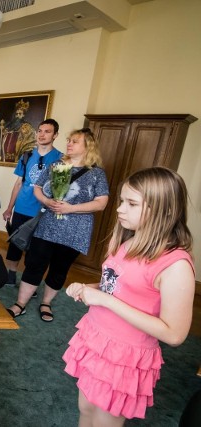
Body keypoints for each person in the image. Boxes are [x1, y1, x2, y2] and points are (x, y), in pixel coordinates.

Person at [63, 167, 195, 425]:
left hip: (125, 356)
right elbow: (116, 287)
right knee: (85, 408)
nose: (120, 209)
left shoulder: (175, 265)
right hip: (97, 339)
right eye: (122, 201)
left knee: (105, 420)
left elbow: (174, 334)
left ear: (165, 210)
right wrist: (89, 288)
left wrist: (106, 300)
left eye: (131, 203)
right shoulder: (128, 243)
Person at [7, 128, 109, 321]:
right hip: (47, 227)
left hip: (75, 232)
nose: (69, 144)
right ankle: (20, 304)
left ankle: (46, 303)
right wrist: (46, 201)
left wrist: (71, 208)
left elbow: (101, 202)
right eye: (69, 140)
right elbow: (37, 187)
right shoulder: (55, 165)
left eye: (75, 141)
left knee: (59, 269)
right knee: (34, 264)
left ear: (88, 147)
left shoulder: (96, 173)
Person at [2, 119, 63, 286]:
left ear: (55, 135)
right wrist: (9, 208)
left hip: (42, 211)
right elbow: (18, 183)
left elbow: (60, 189)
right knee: (15, 244)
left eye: (47, 131)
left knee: (36, 249)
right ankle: (11, 273)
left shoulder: (60, 158)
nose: (42, 134)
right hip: (22, 207)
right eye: (40, 131)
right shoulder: (27, 155)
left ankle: (28, 280)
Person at [0, 99, 36, 163]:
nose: (17, 116)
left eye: (20, 114)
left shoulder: (27, 127)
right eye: (16, 114)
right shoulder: (8, 127)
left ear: (23, 115)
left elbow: (30, 144)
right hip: (3, 159)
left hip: (17, 159)